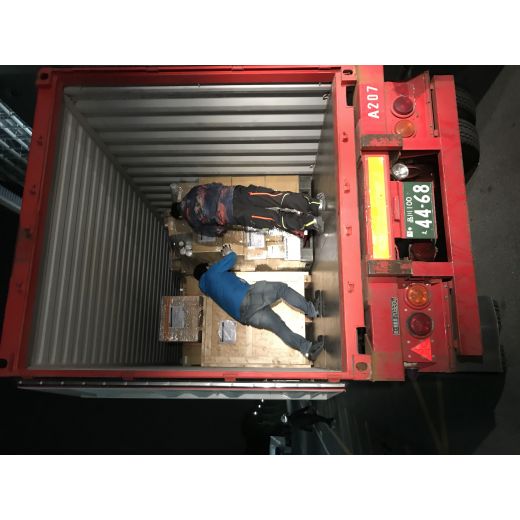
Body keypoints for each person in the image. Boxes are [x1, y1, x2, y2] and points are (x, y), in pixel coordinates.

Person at [193, 245, 325, 362]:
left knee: (279, 328)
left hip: (246, 317)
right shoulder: (211, 273)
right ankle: (312, 309)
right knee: (281, 289)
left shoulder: (208, 290)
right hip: (248, 297)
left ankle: (308, 349)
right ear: (207, 268)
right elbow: (232, 257)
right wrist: (227, 252)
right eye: (210, 265)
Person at [171, 182, 325, 237]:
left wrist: (223, 223)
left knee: (274, 219)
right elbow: (216, 185)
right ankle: (316, 204)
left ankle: (312, 222)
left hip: (236, 214)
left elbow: (217, 231)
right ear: (179, 202)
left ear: (180, 216)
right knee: (276, 197)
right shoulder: (193, 190)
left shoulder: (193, 223)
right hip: (238, 194)